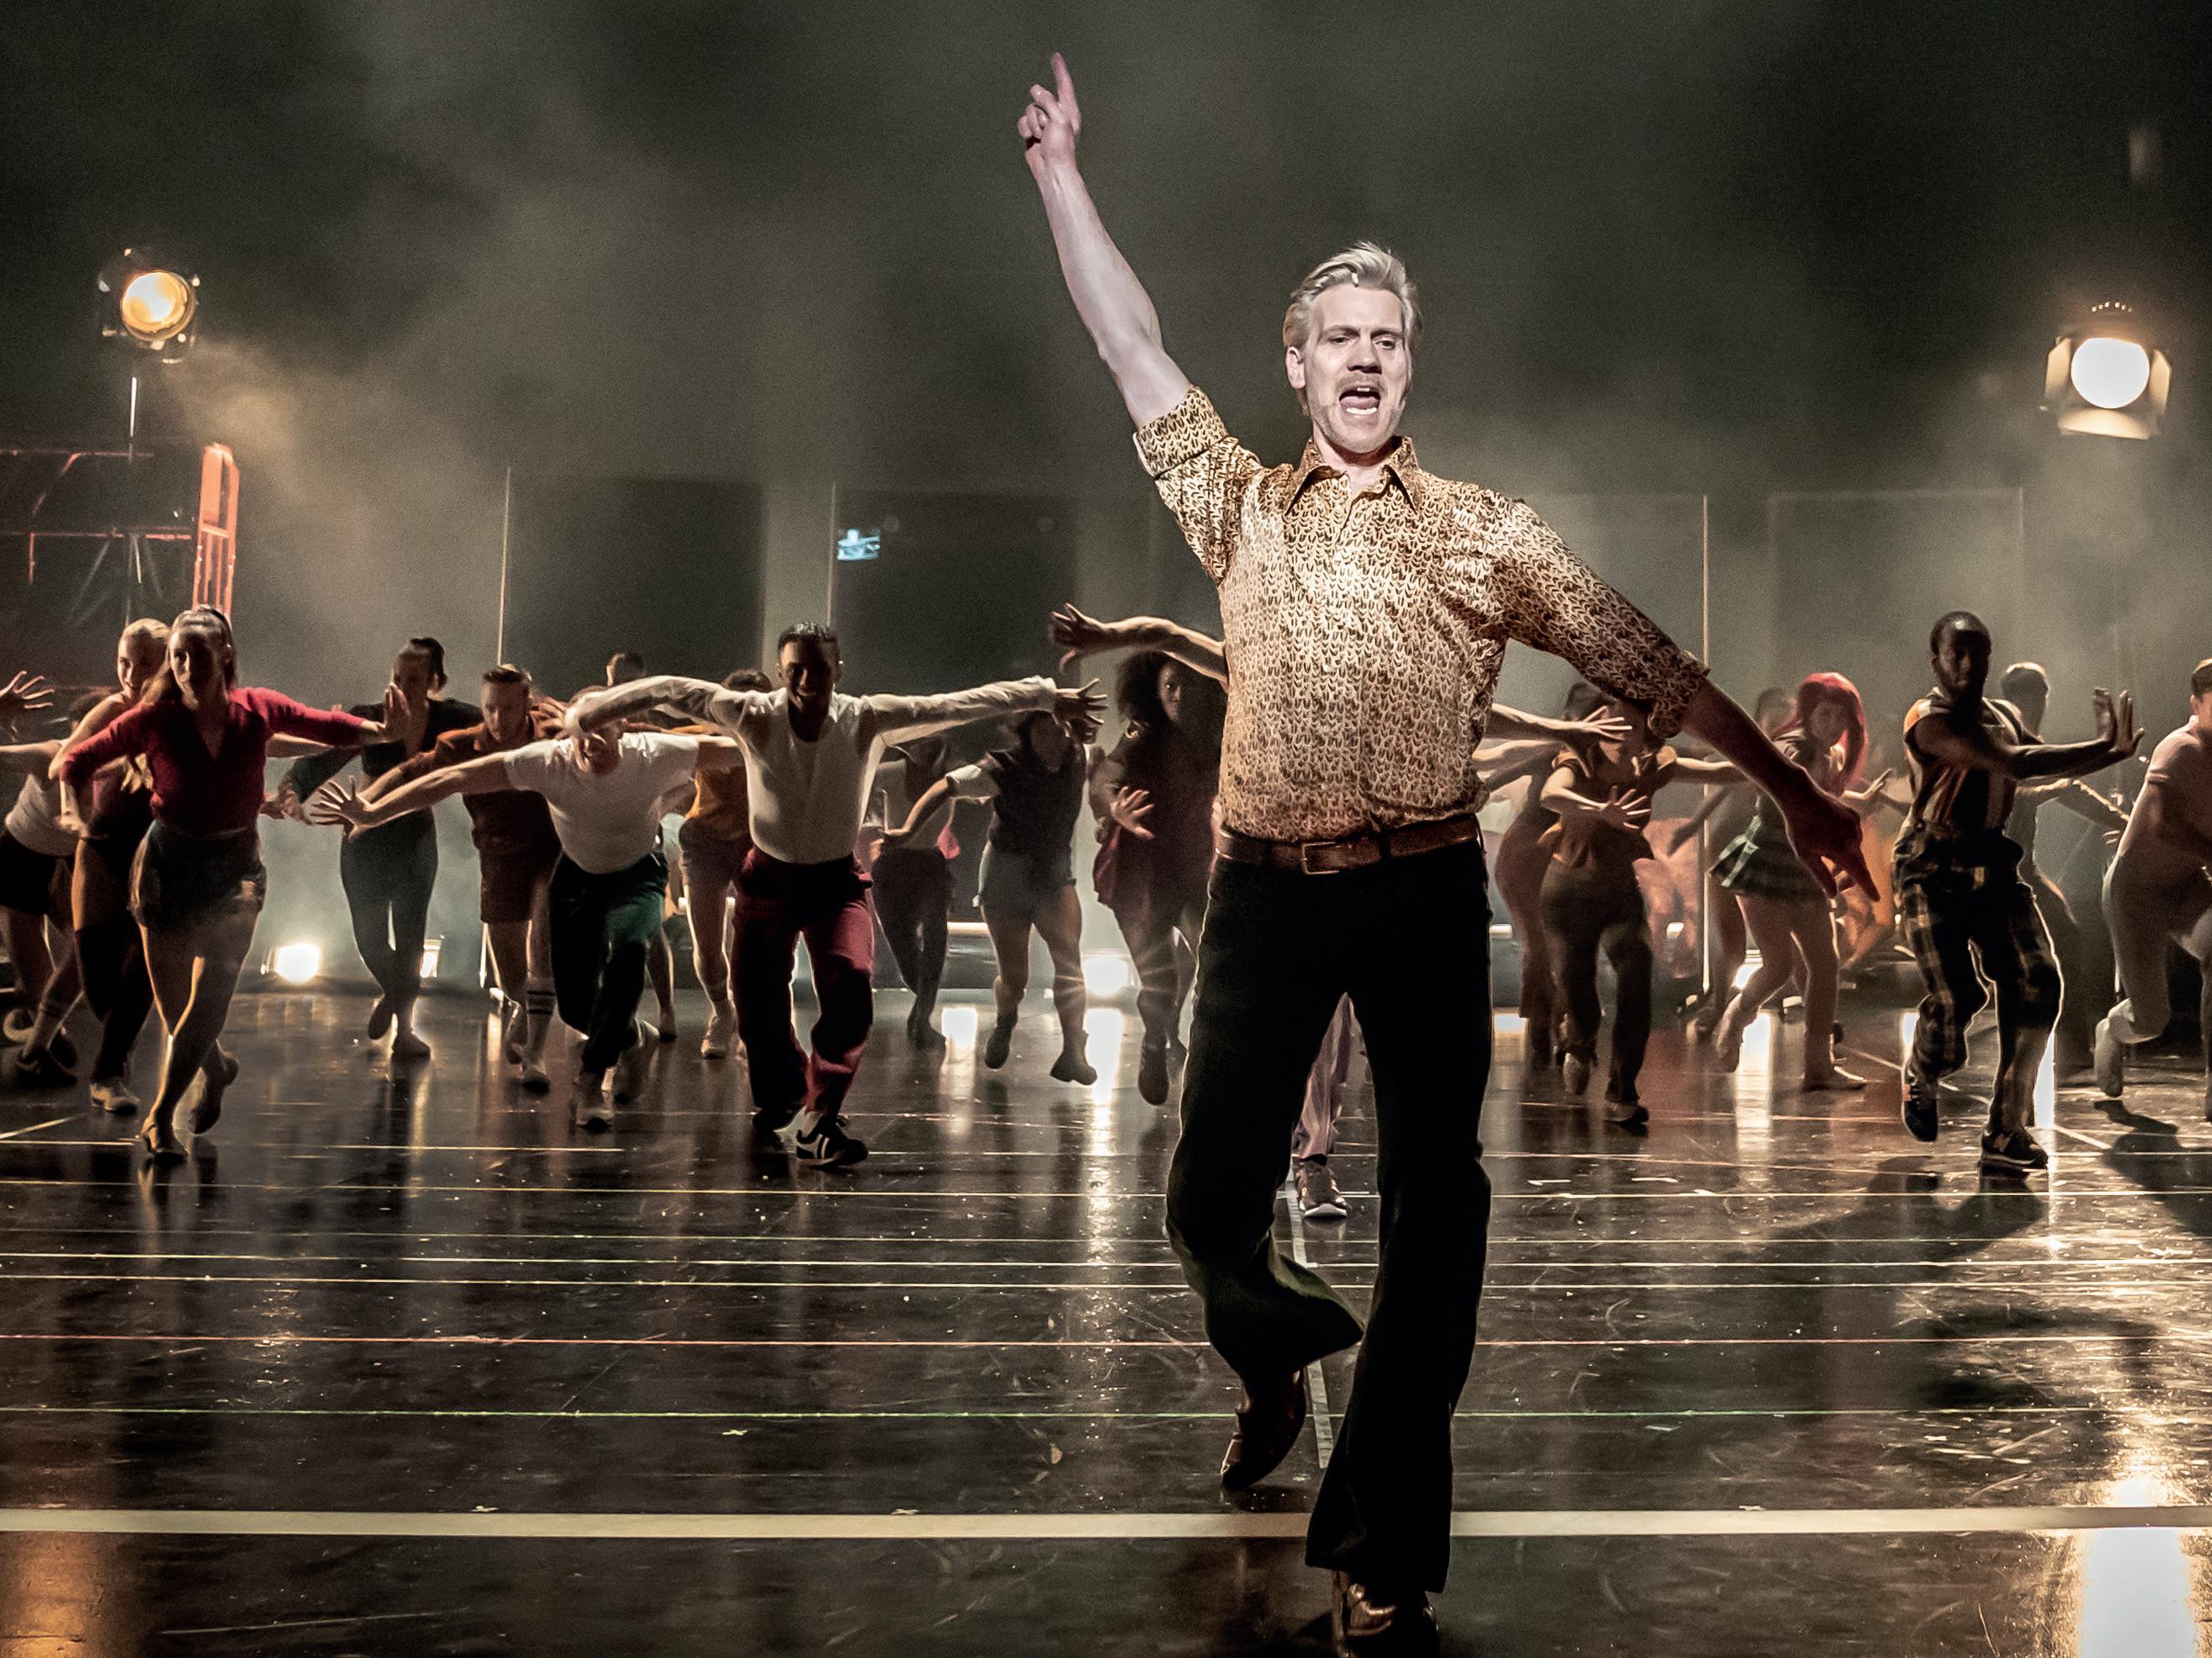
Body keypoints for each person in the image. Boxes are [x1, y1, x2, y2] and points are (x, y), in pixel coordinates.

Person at [1013, 53, 1869, 1645]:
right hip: (1263, 900)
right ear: (1295, 366)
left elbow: (1651, 662)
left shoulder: (1483, 530)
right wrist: (1061, 172)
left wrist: (1798, 795)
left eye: (1386, 339)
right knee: (1205, 1202)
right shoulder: (1239, 505)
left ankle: (1384, 1543)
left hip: (1418, 892)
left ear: (1409, 368)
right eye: (1337, 337)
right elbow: (1129, 340)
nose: (1363, 358)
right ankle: (1276, 1350)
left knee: (1439, 1209)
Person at [561, 624, 1103, 1168]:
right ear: (781, 674)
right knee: (757, 1006)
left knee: (850, 982)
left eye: (818, 669)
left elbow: (954, 704)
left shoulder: (866, 719)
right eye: (795, 670)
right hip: (768, 878)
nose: (806, 682)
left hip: (835, 882)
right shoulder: (753, 714)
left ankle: (820, 1118)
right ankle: (785, 1098)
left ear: (838, 670)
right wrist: (589, 712)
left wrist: (1044, 694)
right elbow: (671, 689)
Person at [55, 607, 401, 1159]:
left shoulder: (258, 710)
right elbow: (77, 760)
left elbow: (320, 725)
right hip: (167, 867)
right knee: (176, 1009)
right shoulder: (154, 719)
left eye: (198, 655)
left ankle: (161, 1116)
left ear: (226, 657)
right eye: (179, 657)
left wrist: (379, 731)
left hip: (235, 872)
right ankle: (215, 1069)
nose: (187, 667)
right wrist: (73, 810)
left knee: (211, 998)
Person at [315, 720, 746, 1131]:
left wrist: (779, 726)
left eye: (602, 730)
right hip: (577, 880)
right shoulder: (550, 760)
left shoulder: (652, 752)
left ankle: (591, 1080)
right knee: (574, 1007)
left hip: (636, 878)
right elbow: (453, 777)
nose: (590, 742)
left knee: (631, 950)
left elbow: (741, 748)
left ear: (622, 730)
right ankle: (635, 1037)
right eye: (581, 733)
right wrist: (375, 812)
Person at [1893, 611, 2138, 1173]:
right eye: (1955, 653)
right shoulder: (1928, 719)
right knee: (1958, 1001)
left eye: (1977, 653)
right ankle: (1922, 1070)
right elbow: (2013, 762)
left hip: (1994, 864)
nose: (1967, 664)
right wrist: (2104, 747)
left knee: (2038, 981)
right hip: (1932, 867)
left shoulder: (2003, 715)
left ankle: (2006, 1128)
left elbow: (2040, 768)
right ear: (1936, 661)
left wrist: (2110, 759)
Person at [354, 664, 566, 1090]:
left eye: (509, 709)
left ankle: (535, 1056)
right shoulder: (462, 745)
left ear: (527, 704)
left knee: (544, 938)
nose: (498, 719)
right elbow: (412, 772)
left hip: (553, 850)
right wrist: (366, 805)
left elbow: (613, 728)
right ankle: (523, 1006)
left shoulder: (554, 733)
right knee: (510, 970)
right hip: (498, 855)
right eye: (490, 709)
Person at [1538, 697, 1739, 1124]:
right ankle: (1580, 1039)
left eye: (1631, 723)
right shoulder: (1581, 756)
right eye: (1613, 720)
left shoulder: (1654, 765)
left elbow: (1718, 772)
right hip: (1568, 892)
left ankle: (1622, 1092)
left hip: (1618, 892)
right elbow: (1551, 793)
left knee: (1637, 969)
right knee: (1580, 993)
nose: (1620, 731)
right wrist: (1599, 810)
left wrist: (1774, 769)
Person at [279, 638, 477, 1061]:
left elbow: (499, 727)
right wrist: (295, 790)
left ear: (433, 682)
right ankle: (395, 992)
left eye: (414, 680)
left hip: (415, 837)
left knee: (410, 936)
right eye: (397, 677)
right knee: (369, 940)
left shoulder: (452, 718)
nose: (402, 687)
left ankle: (405, 1031)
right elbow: (326, 754)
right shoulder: (370, 717)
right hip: (363, 837)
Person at [886, 707, 1097, 1082]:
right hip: (1006, 874)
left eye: (1060, 731)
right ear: (1027, 734)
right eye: (1043, 732)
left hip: (1053, 873)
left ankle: (1073, 1049)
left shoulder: (1079, 757)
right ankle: (1006, 1018)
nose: (1054, 740)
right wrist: (907, 831)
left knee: (1070, 962)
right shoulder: (1002, 768)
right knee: (1015, 978)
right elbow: (946, 786)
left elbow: (1106, 777)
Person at [1710, 673, 1891, 1092]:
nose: (1832, 724)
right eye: (1824, 715)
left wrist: (1860, 801)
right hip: (1767, 861)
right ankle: (1737, 1016)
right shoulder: (1794, 747)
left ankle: (1818, 1066)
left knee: (1825, 964)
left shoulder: (1832, 754)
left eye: (1840, 717)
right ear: (1808, 714)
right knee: (1778, 966)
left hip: (1804, 867)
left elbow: (1823, 794)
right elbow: (1794, 787)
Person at [1997, 662, 2130, 1077]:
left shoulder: (2036, 745)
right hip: (1986, 868)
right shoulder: (1996, 740)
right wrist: (2048, 789)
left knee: (2066, 937)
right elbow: (2012, 791)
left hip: (2024, 869)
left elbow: (2073, 789)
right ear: (2010, 700)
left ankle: (2071, 1045)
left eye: (2039, 698)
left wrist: (2126, 823)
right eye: (2026, 698)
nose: (2034, 707)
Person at [57, 623, 169, 1112]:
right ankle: (205, 1058)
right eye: (124, 662)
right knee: (96, 978)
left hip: (159, 848)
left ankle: (107, 1074)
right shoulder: (113, 710)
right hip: (103, 843)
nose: (131, 674)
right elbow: (62, 762)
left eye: (145, 664)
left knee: (144, 964)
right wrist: (120, 757)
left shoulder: (181, 714)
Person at [2092, 658, 2212, 1116]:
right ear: (2195, 705)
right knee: (2151, 1020)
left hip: (2186, 887)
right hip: (2135, 893)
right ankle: (2112, 1029)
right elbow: (2163, 826)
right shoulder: (2180, 750)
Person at [1665, 686, 1793, 1036]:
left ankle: (1771, 1001)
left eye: (1787, 718)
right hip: (1729, 843)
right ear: (1760, 718)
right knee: (1728, 934)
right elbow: (1722, 782)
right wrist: (1693, 824)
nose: (1780, 725)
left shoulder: (1792, 752)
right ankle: (1720, 1006)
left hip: (1769, 849)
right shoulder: (1748, 746)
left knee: (1785, 932)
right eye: (1774, 718)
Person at [674, 668, 774, 1060]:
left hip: (757, 842)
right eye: (740, 705)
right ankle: (722, 1012)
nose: (748, 712)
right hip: (705, 842)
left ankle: (753, 1017)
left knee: (759, 943)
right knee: (708, 945)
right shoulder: (702, 737)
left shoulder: (780, 741)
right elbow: (645, 735)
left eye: (757, 704)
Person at [0, 699, 93, 1087]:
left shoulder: (127, 762)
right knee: (36, 980)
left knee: (88, 952)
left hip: (73, 860)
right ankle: (35, 1042)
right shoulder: (50, 756)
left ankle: (35, 1022)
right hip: (22, 858)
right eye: (83, 732)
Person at [869, 733, 958, 1050]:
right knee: (906, 957)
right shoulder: (891, 773)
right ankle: (922, 1010)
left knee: (936, 934)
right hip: (892, 867)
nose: (925, 749)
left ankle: (922, 1017)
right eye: (920, 742)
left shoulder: (953, 779)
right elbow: (851, 787)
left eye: (932, 742)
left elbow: (992, 785)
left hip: (930, 865)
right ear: (907, 744)